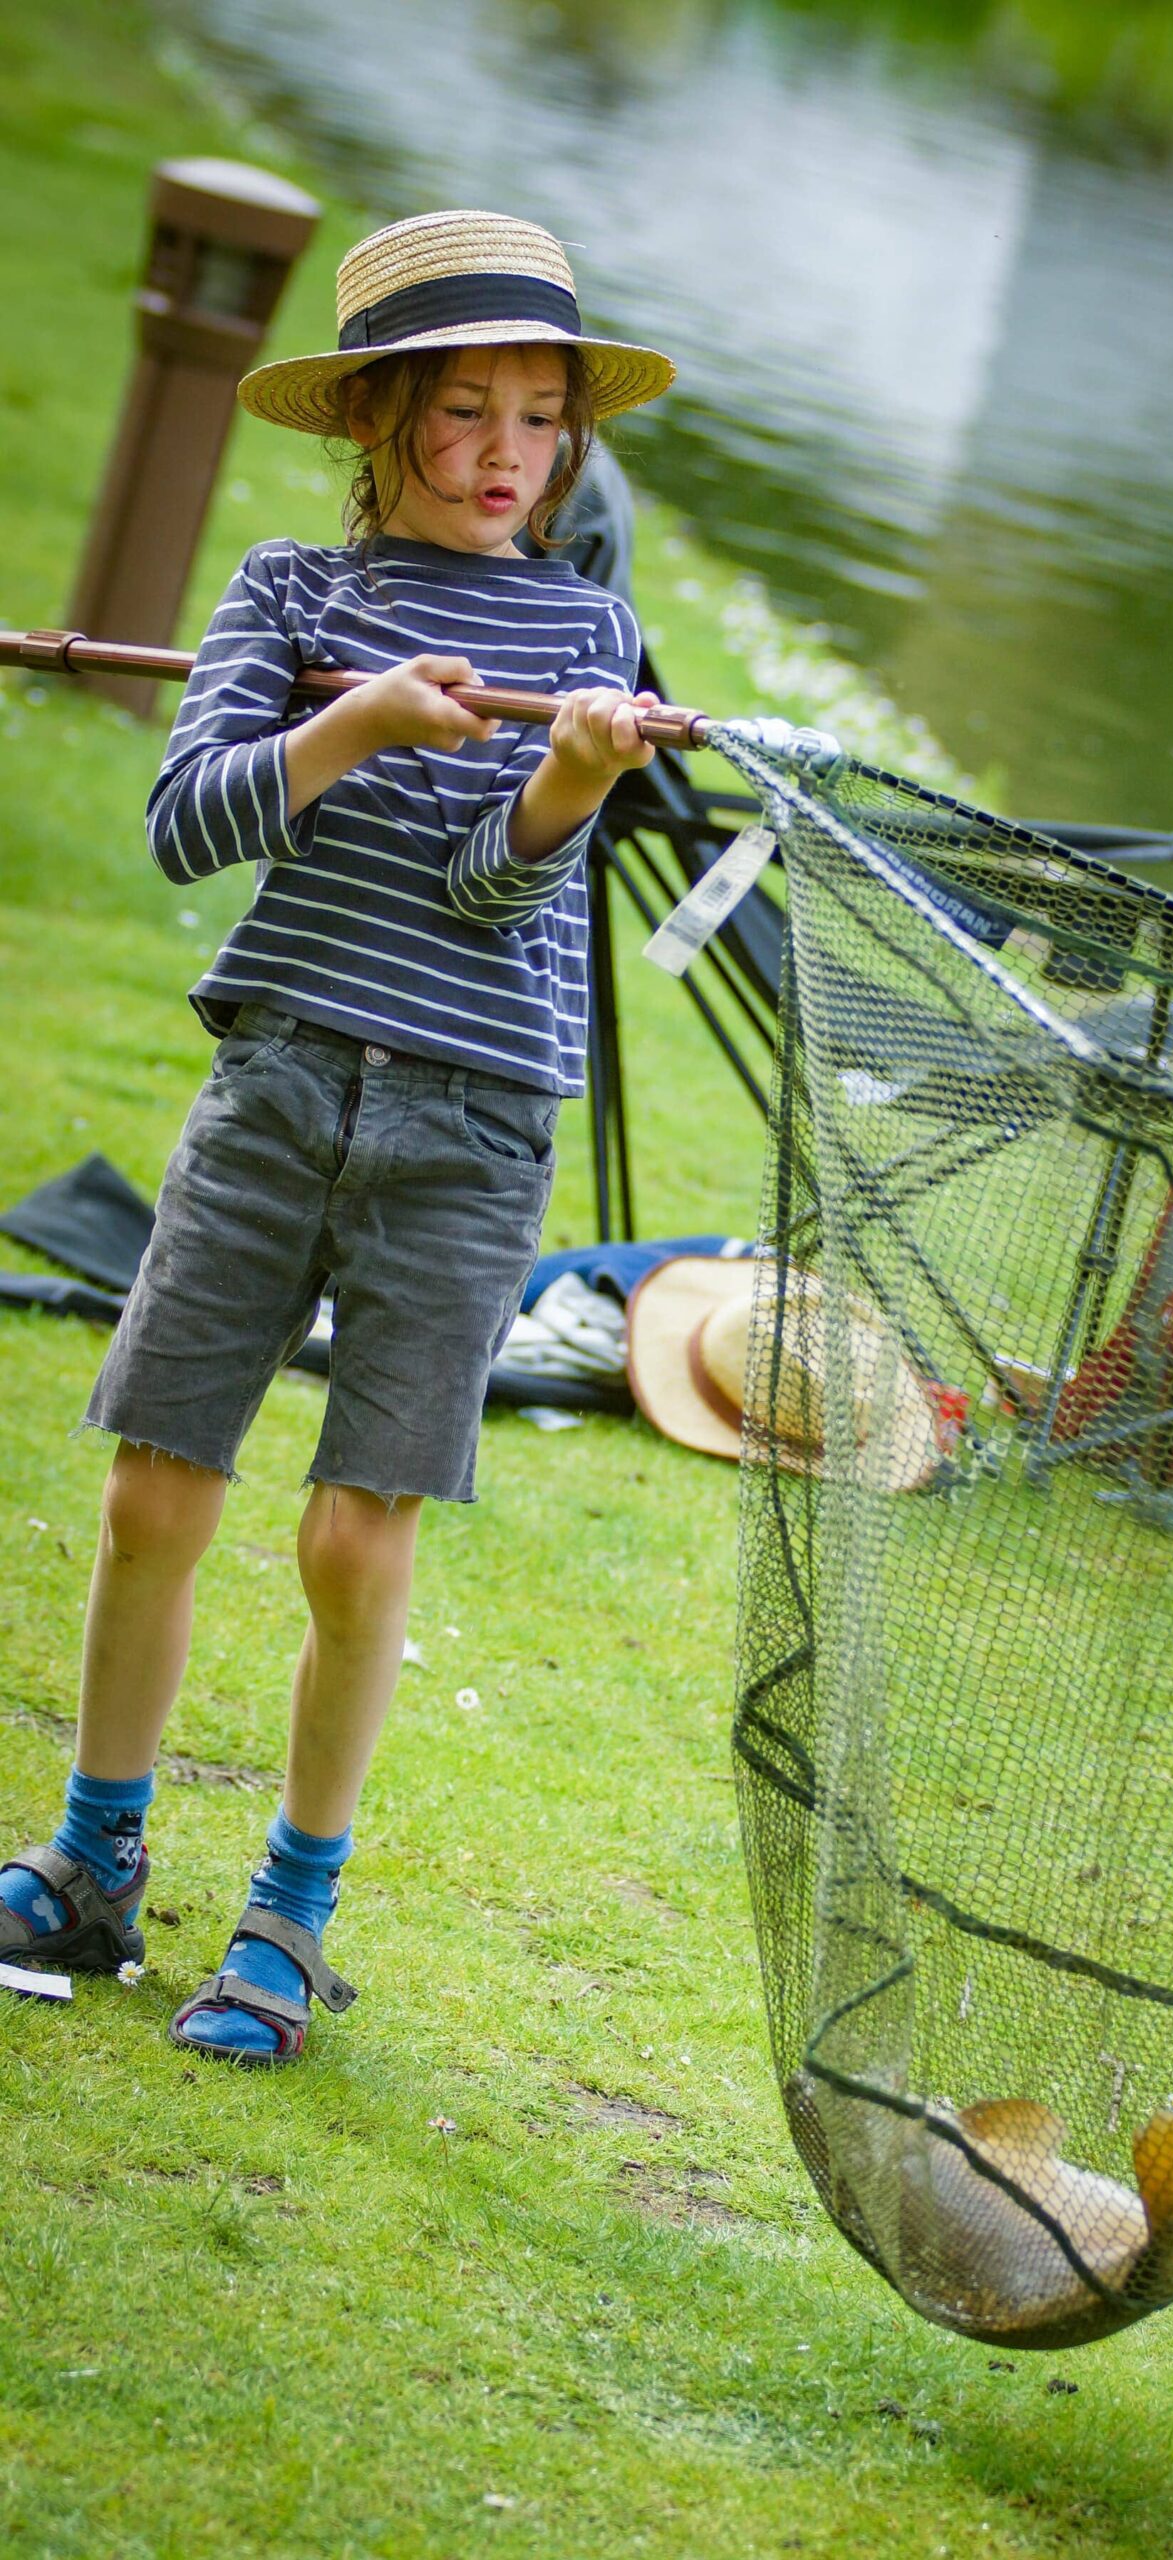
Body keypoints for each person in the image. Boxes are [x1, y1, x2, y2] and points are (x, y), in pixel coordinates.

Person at [0, 209, 675, 2064]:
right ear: (376, 420)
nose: (504, 455)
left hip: (467, 1124)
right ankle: (94, 1866)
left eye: (541, 420)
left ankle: (289, 1924)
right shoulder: (290, 600)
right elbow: (186, 823)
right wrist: (353, 725)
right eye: (462, 412)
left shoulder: (590, 633)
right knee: (157, 1489)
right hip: (279, 1077)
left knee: (354, 1544)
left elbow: (492, 892)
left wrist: (566, 776)